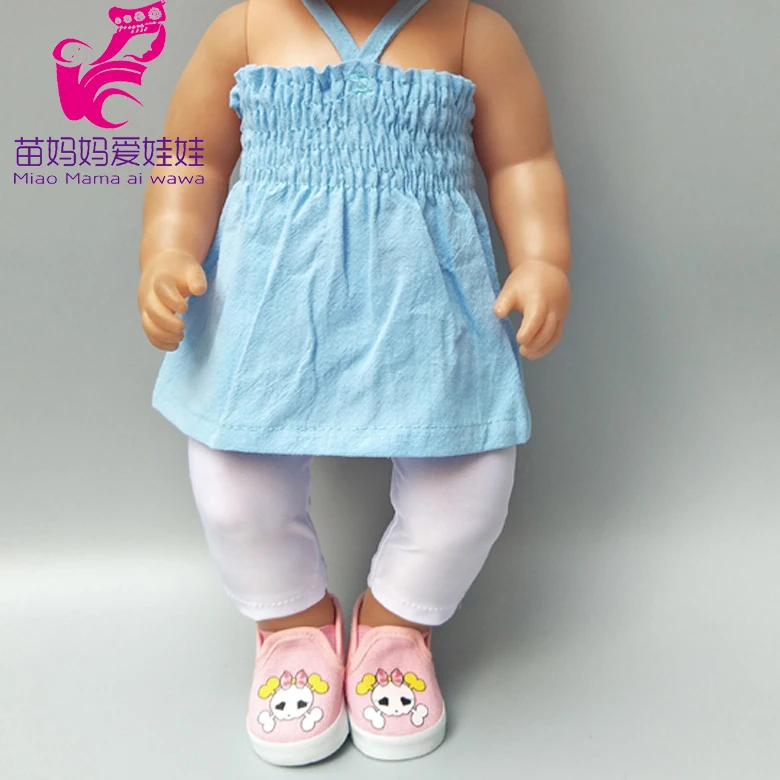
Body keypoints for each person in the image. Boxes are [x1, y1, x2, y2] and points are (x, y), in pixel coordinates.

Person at [137, 0, 571, 766]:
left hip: (427, 316)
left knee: (470, 490)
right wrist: (167, 250)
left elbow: (523, 162)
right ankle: (292, 626)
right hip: (270, 315)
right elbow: (189, 156)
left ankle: (397, 624)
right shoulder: (247, 27)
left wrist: (542, 261)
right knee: (235, 490)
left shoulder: (471, 32)